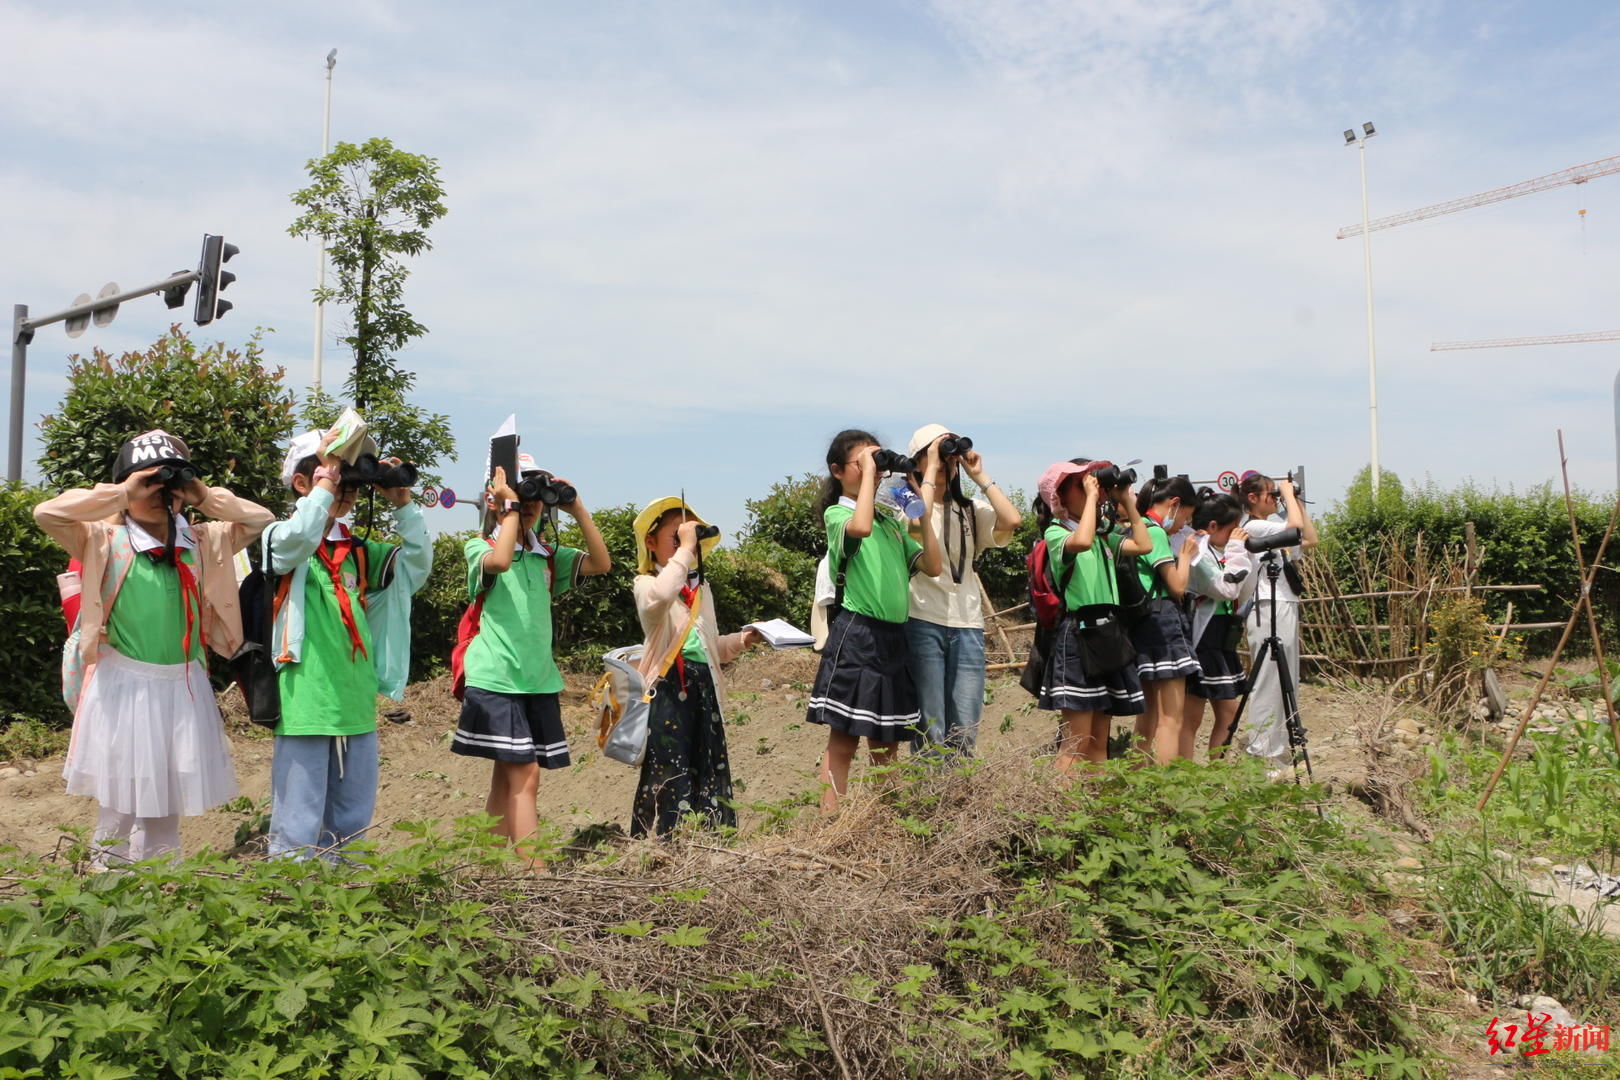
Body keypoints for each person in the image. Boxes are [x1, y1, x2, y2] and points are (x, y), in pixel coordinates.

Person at [35, 430, 272, 866]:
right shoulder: (102, 541)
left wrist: (202, 494)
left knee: (167, 806)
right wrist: (122, 493)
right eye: (148, 484)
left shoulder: (201, 542)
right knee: (120, 806)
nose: (159, 494)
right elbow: (47, 512)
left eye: (168, 485)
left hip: (181, 687)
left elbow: (259, 520)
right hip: (124, 688)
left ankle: (163, 890)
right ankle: (109, 884)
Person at [264, 424, 431, 859]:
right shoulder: (277, 538)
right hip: (305, 699)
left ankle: (347, 895)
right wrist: (326, 480)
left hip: (355, 698)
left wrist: (402, 504)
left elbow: (416, 567)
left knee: (354, 815)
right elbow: (296, 541)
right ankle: (292, 900)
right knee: (298, 819)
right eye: (336, 476)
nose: (348, 489)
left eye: (352, 481)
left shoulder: (358, 551)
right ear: (303, 482)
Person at [455, 455, 611, 857]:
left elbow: (601, 563)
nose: (528, 503)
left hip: (537, 679)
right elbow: (502, 561)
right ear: (493, 501)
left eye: (534, 496)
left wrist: (575, 508)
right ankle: (534, 878)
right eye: (519, 494)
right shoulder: (479, 546)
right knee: (526, 778)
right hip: (496, 678)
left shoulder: (547, 556)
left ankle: (484, 872)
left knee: (504, 781)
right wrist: (507, 512)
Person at [807, 429, 944, 813]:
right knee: (844, 741)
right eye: (861, 461)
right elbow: (860, 528)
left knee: (888, 742)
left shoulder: (891, 524)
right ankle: (830, 826)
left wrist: (922, 511)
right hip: (858, 633)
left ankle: (887, 821)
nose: (875, 468)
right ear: (838, 471)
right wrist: (870, 474)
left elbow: (933, 566)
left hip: (893, 638)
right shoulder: (840, 514)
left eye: (877, 460)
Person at [630, 497, 763, 837]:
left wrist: (743, 640)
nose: (685, 547)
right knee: (669, 767)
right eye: (675, 538)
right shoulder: (646, 584)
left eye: (690, 540)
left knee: (708, 764)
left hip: (703, 687)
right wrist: (686, 548)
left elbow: (711, 649)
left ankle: (708, 840)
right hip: (668, 689)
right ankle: (662, 842)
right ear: (650, 542)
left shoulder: (701, 590)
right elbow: (659, 597)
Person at [901, 423, 1020, 757]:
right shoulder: (904, 504)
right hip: (921, 618)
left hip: (967, 622)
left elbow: (1011, 520)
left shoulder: (968, 510)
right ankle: (928, 798)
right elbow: (916, 522)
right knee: (931, 723)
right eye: (937, 453)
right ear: (917, 460)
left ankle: (961, 801)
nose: (947, 460)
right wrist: (931, 468)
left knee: (966, 722)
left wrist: (979, 475)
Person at [1034, 459, 1150, 774]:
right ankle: (1063, 816)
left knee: (1099, 740)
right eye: (1081, 483)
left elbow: (1144, 544)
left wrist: (1126, 499)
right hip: (1079, 636)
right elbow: (1081, 541)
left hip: (1108, 634)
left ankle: (1096, 815)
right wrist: (1091, 501)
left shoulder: (1103, 536)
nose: (1091, 487)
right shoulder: (1056, 533)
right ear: (1059, 496)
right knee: (1077, 741)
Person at [1236, 472, 1318, 773]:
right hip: (1268, 604)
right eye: (1271, 495)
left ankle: (1279, 749)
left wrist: (1292, 498)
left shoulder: (1272, 525)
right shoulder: (1255, 525)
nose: (1276, 499)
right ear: (1253, 498)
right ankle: (1263, 752)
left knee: (1286, 679)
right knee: (1269, 680)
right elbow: (1296, 530)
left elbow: (1310, 538)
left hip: (1283, 603)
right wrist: (1287, 492)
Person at [1129, 473, 1201, 763]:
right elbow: (1177, 586)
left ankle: (1138, 786)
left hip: (1141, 624)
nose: (1184, 524)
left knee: (1146, 719)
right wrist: (1185, 556)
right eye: (1187, 515)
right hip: (1163, 625)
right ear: (1174, 504)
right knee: (1171, 718)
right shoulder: (1155, 532)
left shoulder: (1134, 528)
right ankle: (1167, 798)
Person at [1181, 491, 1256, 756]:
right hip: (1202, 639)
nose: (1237, 534)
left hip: (1222, 637)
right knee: (1191, 718)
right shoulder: (1198, 552)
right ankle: (1185, 781)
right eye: (1233, 529)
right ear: (1213, 526)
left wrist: (1250, 555)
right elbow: (1226, 590)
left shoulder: (1216, 550)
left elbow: (1242, 592)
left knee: (1228, 714)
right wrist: (1236, 549)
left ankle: (1215, 778)